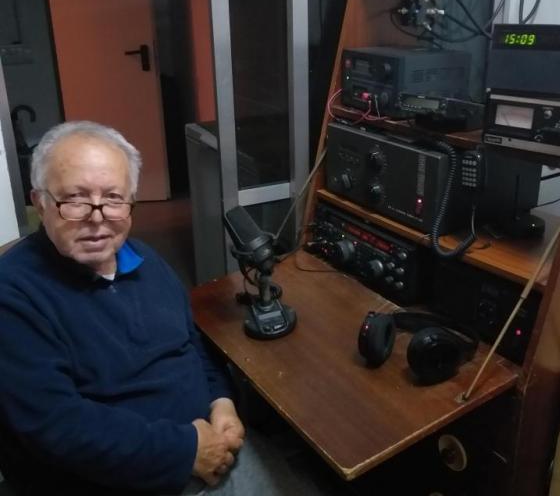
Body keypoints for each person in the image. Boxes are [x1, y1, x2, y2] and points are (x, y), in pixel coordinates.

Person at [0, 121, 321, 496]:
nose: (97, 217)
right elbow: (57, 426)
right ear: (40, 203)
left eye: (114, 198)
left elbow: (192, 344)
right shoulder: (13, 294)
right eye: (75, 199)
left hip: (210, 444)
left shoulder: (145, 259)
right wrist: (186, 452)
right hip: (131, 477)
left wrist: (222, 402)